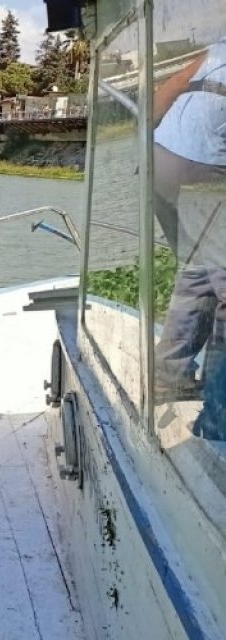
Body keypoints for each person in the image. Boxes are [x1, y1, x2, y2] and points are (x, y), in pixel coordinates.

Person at [149, 37, 226, 438]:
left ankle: (170, 374)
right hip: (206, 171)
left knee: (199, 269)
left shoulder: (218, 49)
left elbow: (169, 89)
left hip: (162, 159)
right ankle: (219, 416)